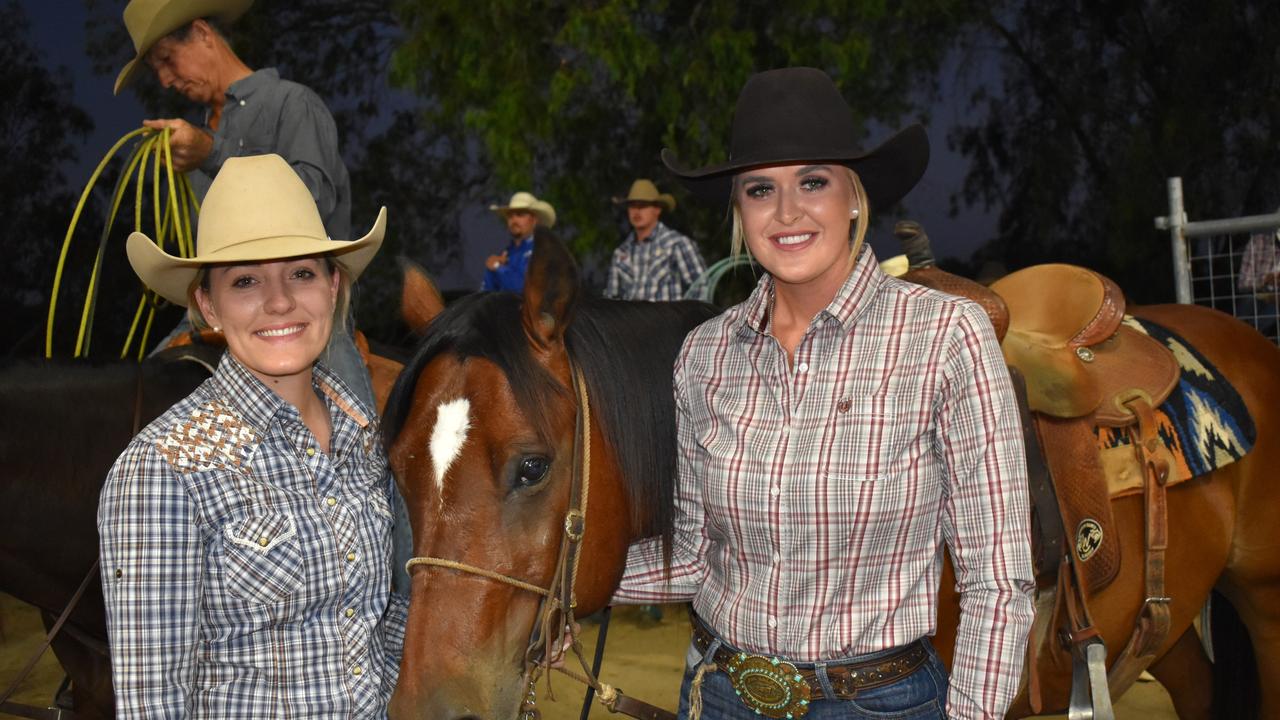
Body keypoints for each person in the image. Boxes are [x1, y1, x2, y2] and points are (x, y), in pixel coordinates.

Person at [613, 68, 1035, 720]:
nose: (787, 212)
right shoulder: (704, 356)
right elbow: (694, 556)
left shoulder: (946, 336)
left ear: (855, 199)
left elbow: (998, 581)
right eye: (761, 190)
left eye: (813, 182)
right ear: (739, 211)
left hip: (880, 704)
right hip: (719, 693)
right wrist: (544, 574)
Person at [98, 154, 406, 718]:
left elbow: (382, 629)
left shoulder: (367, 440)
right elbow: (154, 703)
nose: (280, 301)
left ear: (333, 286)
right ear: (207, 305)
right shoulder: (164, 468)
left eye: (302, 272)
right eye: (245, 280)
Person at [604, 179, 707, 301]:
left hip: (670, 319)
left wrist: (687, 319)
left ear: (657, 209)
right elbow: (611, 299)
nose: (636, 211)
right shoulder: (621, 253)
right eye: (632, 206)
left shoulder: (677, 244)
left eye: (643, 205)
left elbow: (702, 288)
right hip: (629, 320)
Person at [482, 191, 555, 292]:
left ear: (534, 220)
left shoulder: (542, 251)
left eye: (520, 214)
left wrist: (497, 267)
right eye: (510, 216)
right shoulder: (505, 253)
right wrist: (494, 267)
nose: (514, 220)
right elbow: (486, 293)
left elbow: (525, 286)